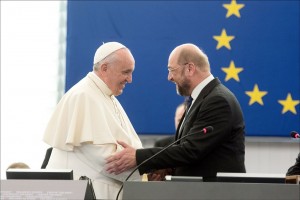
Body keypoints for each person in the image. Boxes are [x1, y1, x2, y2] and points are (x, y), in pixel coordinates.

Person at [106, 43, 246, 180]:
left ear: (190, 69)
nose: (169, 77)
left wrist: (137, 157)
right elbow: (195, 150)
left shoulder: (218, 101)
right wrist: (168, 168)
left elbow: (191, 150)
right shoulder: (200, 99)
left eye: (171, 70)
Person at [43, 42, 143, 199]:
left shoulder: (107, 96)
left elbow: (130, 148)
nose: (129, 79)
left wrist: (145, 162)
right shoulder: (84, 95)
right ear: (104, 68)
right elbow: (107, 160)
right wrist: (146, 168)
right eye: (125, 72)